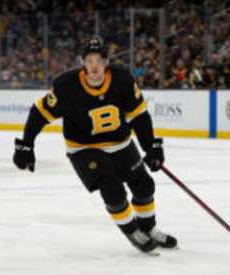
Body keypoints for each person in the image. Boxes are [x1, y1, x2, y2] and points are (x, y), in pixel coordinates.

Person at [12, 36, 177, 254]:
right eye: (89, 60)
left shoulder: (122, 79)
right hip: (84, 148)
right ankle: (132, 231)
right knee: (113, 190)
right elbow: (39, 113)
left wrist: (151, 147)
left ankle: (149, 228)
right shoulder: (66, 86)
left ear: (107, 62)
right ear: (82, 63)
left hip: (120, 142)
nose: (94, 65)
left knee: (144, 185)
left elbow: (139, 115)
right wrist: (26, 145)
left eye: (99, 60)